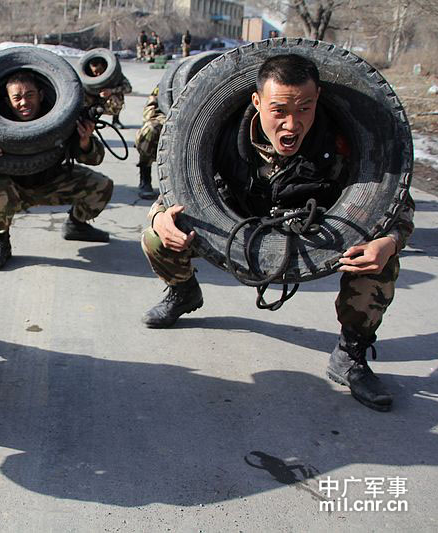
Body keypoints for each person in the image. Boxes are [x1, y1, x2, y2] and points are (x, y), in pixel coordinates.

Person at [140, 54, 415, 412]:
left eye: (304, 108)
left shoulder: (341, 141)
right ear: (256, 102)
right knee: (156, 236)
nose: (292, 122)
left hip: (315, 230)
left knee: (380, 257)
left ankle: (351, 354)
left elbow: (396, 205)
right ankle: (182, 292)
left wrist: (390, 241)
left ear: (319, 100)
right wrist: (160, 214)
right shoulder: (221, 135)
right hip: (238, 221)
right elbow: (176, 190)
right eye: (279, 110)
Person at [0, 70, 114, 271]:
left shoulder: (60, 117)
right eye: (17, 98)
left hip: (52, 181)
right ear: (8, 101)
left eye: (30, 95)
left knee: (102, 185)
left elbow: (96, 158)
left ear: (40, 95)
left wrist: (84, 142)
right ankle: (1, 242)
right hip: (13, 188)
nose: (24, 102)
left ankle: (77, 224)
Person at [133, 86, 163, 200]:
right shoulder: (171, 81)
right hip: (169, 118)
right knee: (150, 130)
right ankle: (145, 178)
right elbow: (149, 113)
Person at [84, 57, 131, 129]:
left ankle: (115, 120)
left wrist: (111, 91)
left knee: (117, 97)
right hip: (93, 100)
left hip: (107, 100)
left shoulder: (114, 75)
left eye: (100, 70)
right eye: (94, 72)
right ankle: (89, 120)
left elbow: (128, 88)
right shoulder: (85, 75)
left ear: (104, 67)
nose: (97, 74)